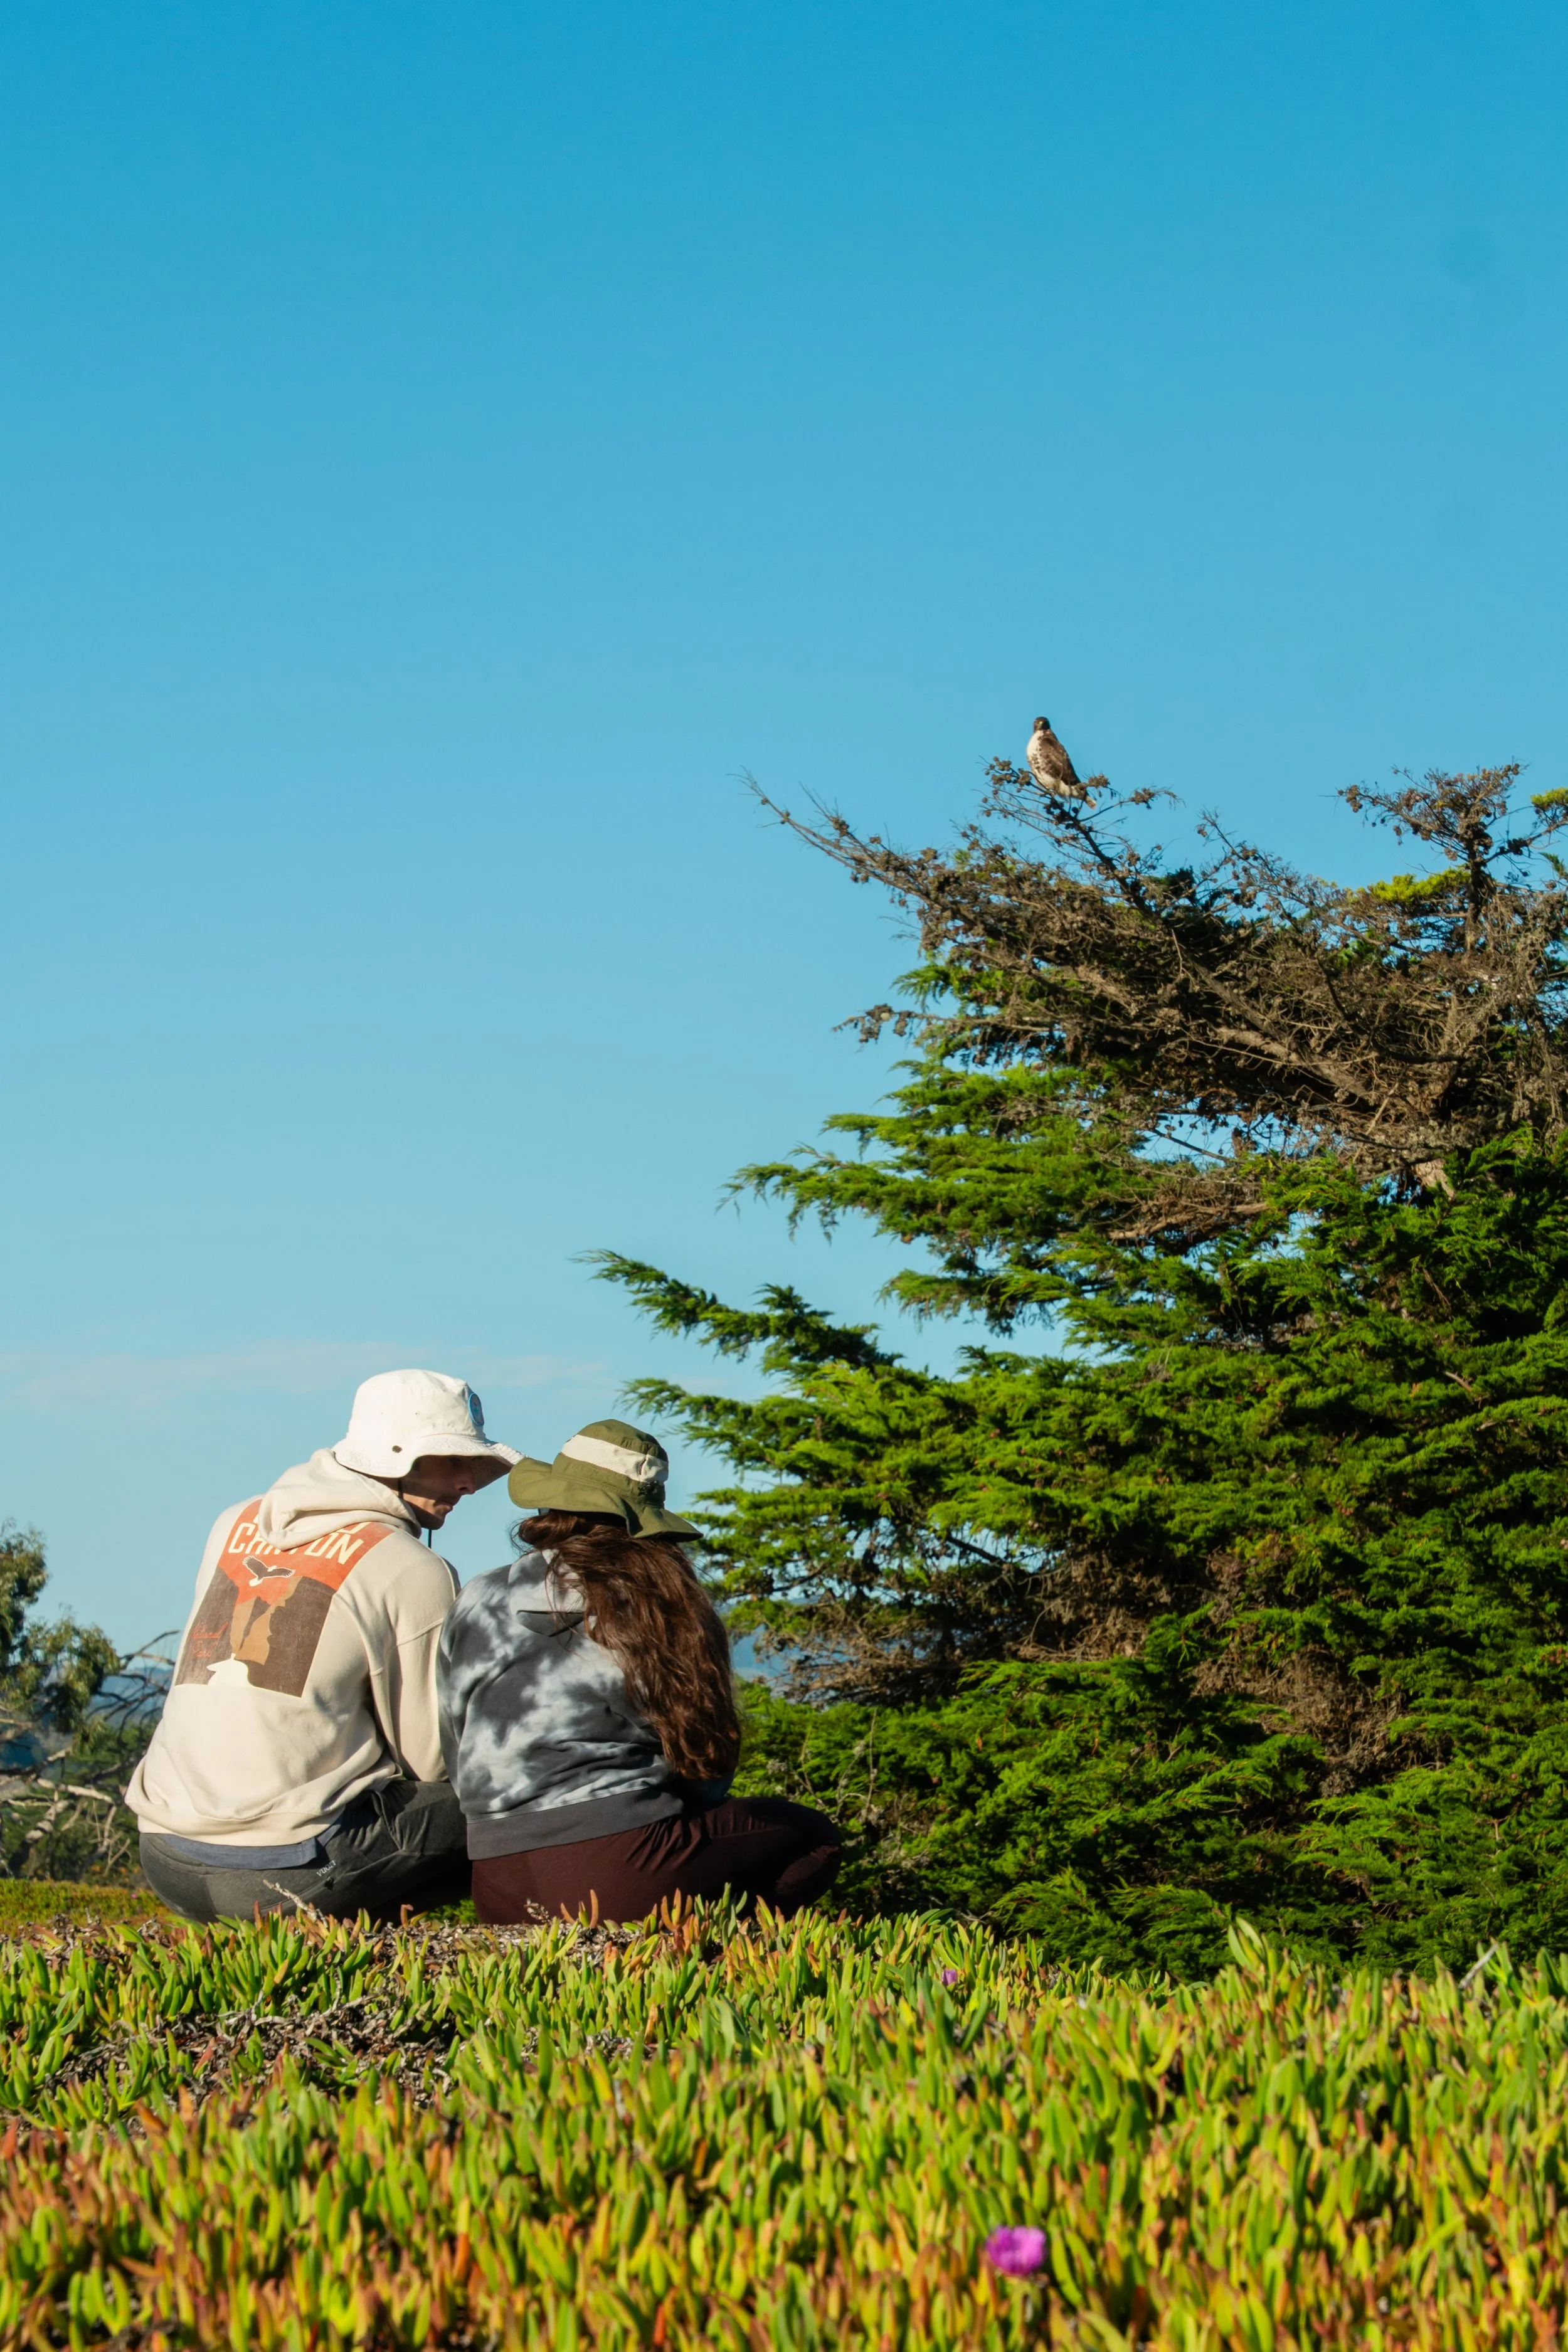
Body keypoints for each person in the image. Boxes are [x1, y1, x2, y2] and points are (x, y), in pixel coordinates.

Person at [128, 1369, 519, 1922]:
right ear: (396, 1456)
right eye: (455, 1462)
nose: (470, 1484)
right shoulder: (414, 1570)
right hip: (279, 1878)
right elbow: (430, 1761)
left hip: (164, 1853)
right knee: (506, 1797)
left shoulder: (233, 1522)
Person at [438, 1418, 842, 1924]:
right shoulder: (658, 1599)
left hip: (498, 1882)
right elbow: (706, 1764)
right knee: (813, 1835)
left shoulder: (479, 1594)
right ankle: (709, 1960)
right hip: (625, 1872)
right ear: (644, 1519)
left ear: (553, 1500)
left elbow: (456, 1744)